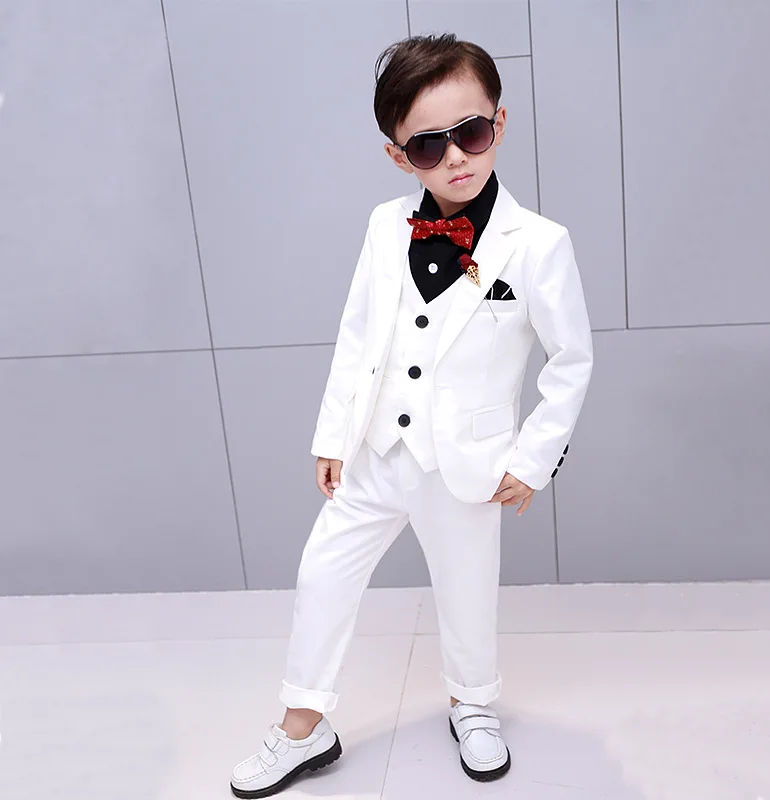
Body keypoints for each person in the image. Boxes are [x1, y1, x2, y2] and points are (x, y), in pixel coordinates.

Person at [230, 32, 593, 798]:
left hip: (468, 462)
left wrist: (532, 460)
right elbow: (358, 334)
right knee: (322, 573)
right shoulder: (383, 226)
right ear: (400, 157)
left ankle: (473, 705)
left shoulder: (539, 244)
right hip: (377, 451)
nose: (455, 157)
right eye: (429, 145)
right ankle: (303, 725)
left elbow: (571, 361)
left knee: (466, 588)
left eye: (471, 132)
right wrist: (334, 436)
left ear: (499, 122)